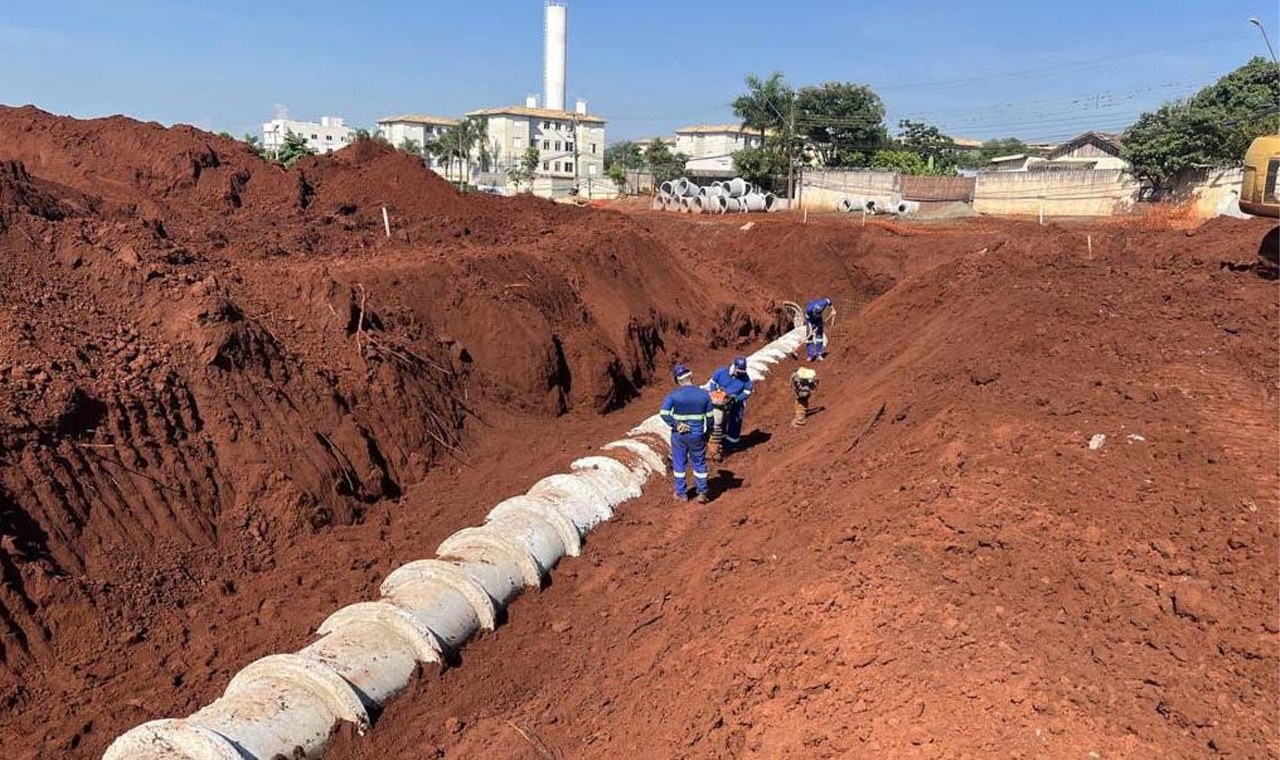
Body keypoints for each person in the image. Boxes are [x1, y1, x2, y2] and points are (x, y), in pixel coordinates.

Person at [659, 363, 714, 503]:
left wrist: (677, 425)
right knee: (699, 463)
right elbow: (710, 418)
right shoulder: (704, 395)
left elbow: (664, 413)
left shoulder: (674, 395)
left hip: (679, 436)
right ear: (691, 375)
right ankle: (702, 492)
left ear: (677, 380)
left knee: (679, 464)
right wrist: (708, 433)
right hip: (697, 435)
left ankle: (681, 493)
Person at [708, 356, 753, 455]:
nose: (739, 374)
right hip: (719, 403)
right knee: (718, 423)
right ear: (733, 367)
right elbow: (713, 382)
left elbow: (748, 391)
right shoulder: (721, 372)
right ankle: (717, 443)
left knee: (735, 423)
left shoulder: (745, 378)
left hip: (735, 404)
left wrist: (737, 398)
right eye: (738, 371)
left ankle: (731, 445)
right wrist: (714, 392)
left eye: (741, 372)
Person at [804, 297, 834, 362]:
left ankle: (819, 354)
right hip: (810, 321)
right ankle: (810, 355)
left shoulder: (822, 304)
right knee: (809, 338)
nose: (816, 315)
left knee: (819, 337)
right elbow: (807, 319)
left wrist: (833, 310)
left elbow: (828, 300)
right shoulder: (809, 309)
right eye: (816, 314)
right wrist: (811, 330)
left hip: (818, 320)